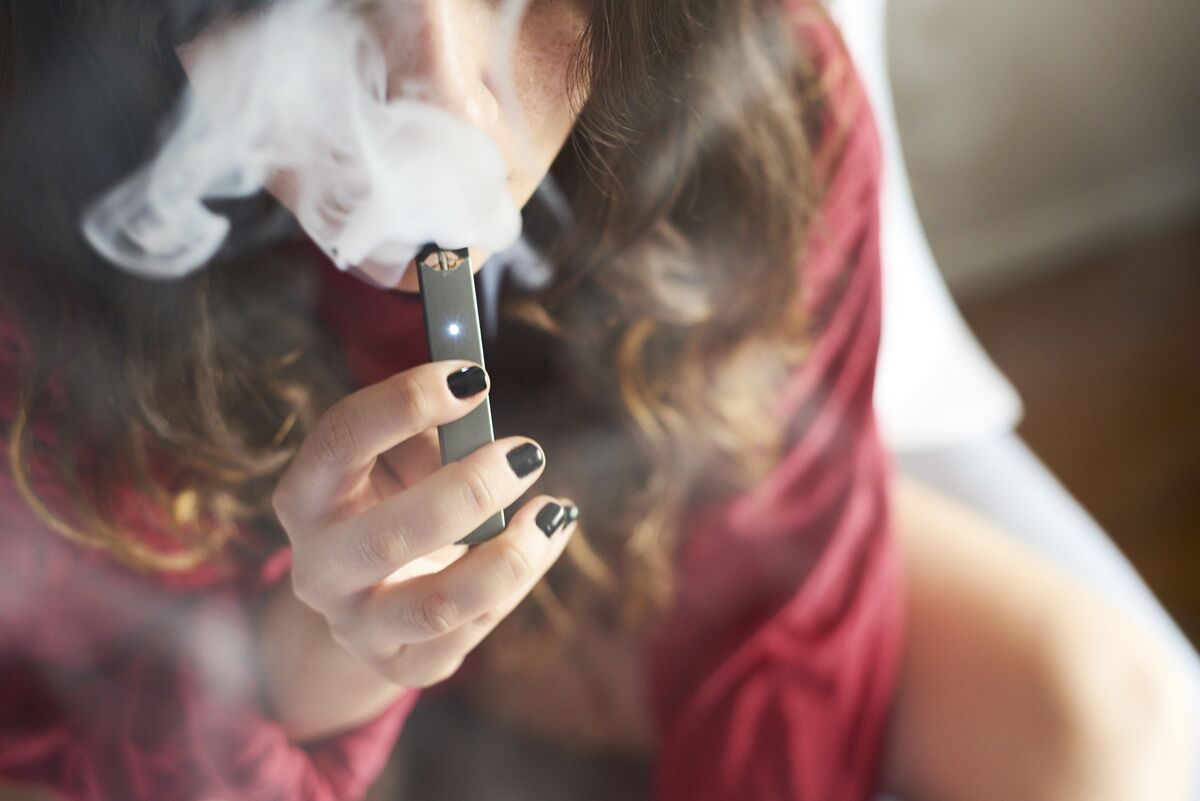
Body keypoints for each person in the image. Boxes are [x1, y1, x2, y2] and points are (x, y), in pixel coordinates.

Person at [0, 1, 1192, 800]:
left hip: (637, 574)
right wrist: (315, 661)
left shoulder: (757, 91)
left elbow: (783, 602)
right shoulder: (52, 282)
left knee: (1112, 713)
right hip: (247, 662)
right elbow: (91, 736)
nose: (449, 108)